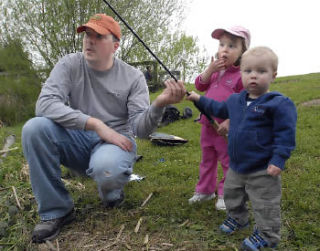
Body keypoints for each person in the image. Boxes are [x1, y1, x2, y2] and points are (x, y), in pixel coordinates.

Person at [21, 13, 186, 243]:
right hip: (78, 138)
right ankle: (56, 210)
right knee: (34, 128)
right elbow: (45, 104)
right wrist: (96, 124)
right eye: (87, 35)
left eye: (98, 36)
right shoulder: (69, 64)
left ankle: (112, 191)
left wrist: (158, 104)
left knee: (107, 171)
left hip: (117, 141)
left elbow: (140, 129)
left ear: (115, 46)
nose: (89, 41)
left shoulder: (133, 77)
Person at [185, 46, 297, 250]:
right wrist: (199, 99)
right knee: (232, 194)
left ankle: (268, 236)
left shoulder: (279, 104)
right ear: (241, 73)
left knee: (265, 203)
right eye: (248, 71)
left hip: (263, 168)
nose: (253, 76)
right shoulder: (236, 100)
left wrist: (278, 159)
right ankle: (238, 219)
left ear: (273, 75)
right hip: (237, 165)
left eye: (261, 71)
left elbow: (285, 136)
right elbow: (218, 109)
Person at [188, 26, 251, 211]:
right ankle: (205, 190)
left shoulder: (241, 76)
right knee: (207, 159)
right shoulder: (214, 71)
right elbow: (200, 85)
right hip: (207, 125)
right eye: (222, 44)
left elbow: (245, 104)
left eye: (231, 46)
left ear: (242, 52)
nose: (224, 49)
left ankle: (227, 193)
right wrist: (209, 69)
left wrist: (231, 121)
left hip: (226, 129)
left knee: (227, 161)